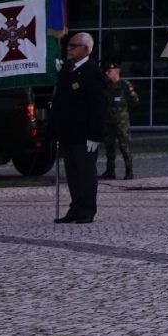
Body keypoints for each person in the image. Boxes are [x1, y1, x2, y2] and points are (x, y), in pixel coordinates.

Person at [52, 32, 106, 224]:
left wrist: (95, 135)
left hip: (84, 133)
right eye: (69, 45)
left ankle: (87, 209)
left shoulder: (93, 72)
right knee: (73, 173)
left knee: (86, 173)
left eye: (73, 46)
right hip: (69, 131)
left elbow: (98, 106)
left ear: (86, 49)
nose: (69, 49)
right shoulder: (68, 69)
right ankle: (75, 207)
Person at [98, 63, 139, 181]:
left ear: (116, 71)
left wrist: (124, 112)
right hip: (108, 122)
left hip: (121, 122)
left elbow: (134, 100)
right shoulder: (106, 86)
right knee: (109, 147)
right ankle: (110, 171)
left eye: (109, 71)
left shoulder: (125, 85)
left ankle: (129, 171)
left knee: (124, 147)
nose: (107, 73)